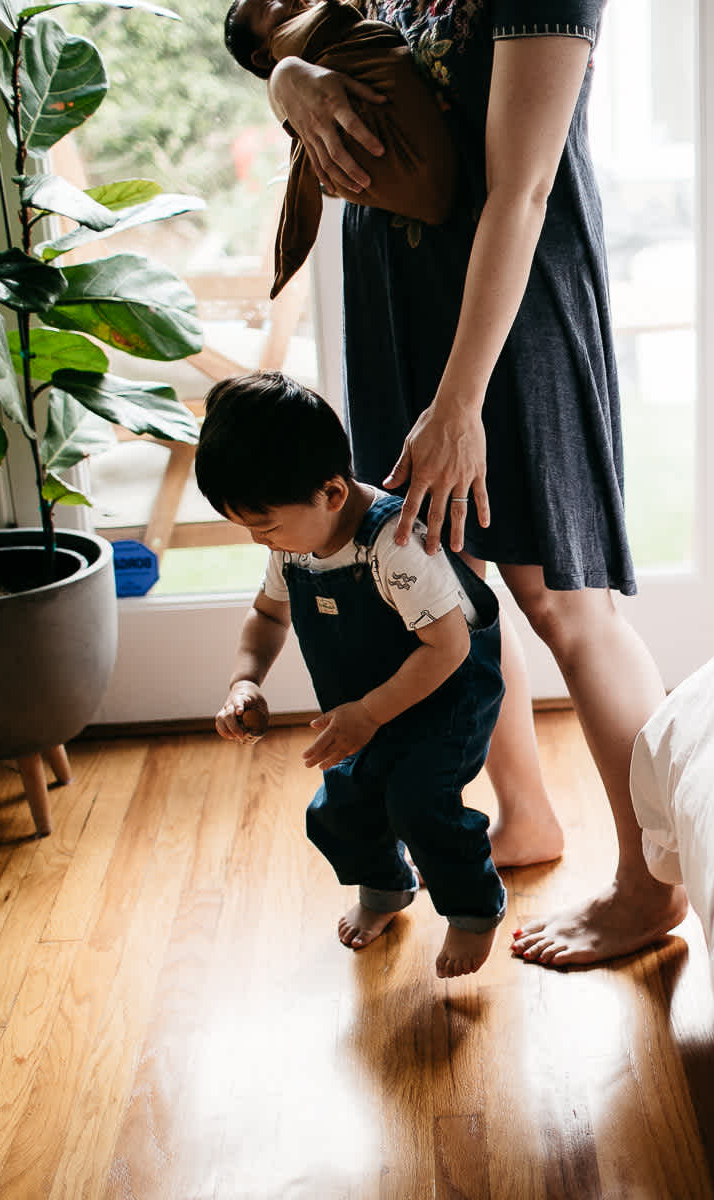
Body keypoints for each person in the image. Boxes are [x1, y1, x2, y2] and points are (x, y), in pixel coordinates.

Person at [262, 0, 688, 966]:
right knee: (444, 580)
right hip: (397, 299)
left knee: (567, 603)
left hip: (509, 317)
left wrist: (459, 407)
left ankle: (650, 886)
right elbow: (294, 42)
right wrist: (292, 86)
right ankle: (526, 815)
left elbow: (523, 189)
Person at [196, 370, 506, 979]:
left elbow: (445, 649)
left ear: (332, 494)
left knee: (419, 802)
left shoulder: (394, 544)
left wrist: (367, 714)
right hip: (364, 698)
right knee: (341, 806)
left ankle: (473, 912)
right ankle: (386, 889)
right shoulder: (292, 544)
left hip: (447, 694)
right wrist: (244, 680)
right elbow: (266, 616)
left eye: (266, 525)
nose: (262, 542)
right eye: (249, 529)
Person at [223, 0, 456, 298]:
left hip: (451, 239)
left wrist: (285, 73)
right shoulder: (304, 39)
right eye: (269, 4)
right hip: (383, 254)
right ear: (262, 55)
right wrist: (283, 76)